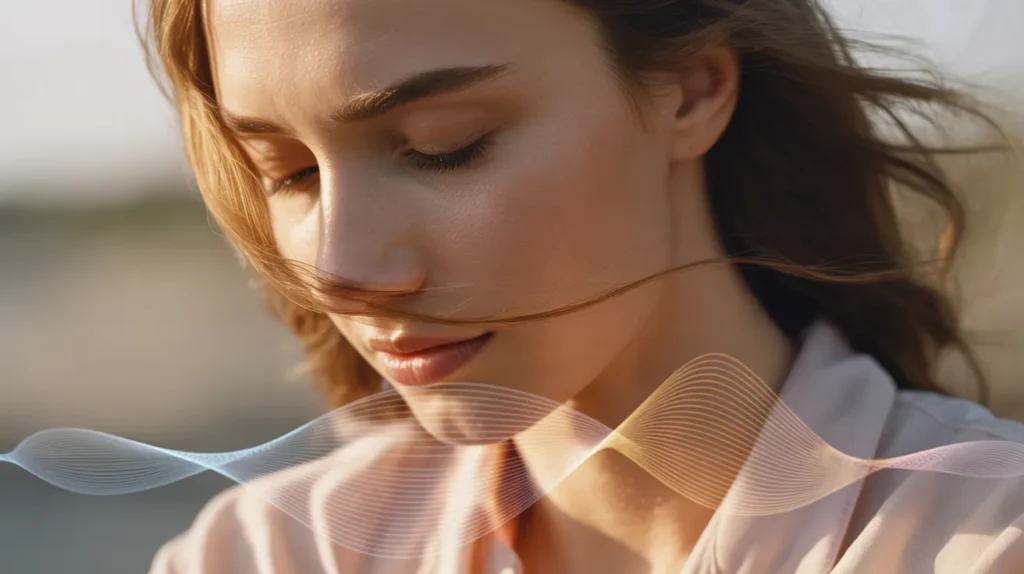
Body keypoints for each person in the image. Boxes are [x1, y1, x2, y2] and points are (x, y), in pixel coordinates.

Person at [139, 0, 1024, 571]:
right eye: (287, 172)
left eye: (443, 144)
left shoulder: (981, 540)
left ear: (691, 88)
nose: (343, 271)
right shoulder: (261, 555)